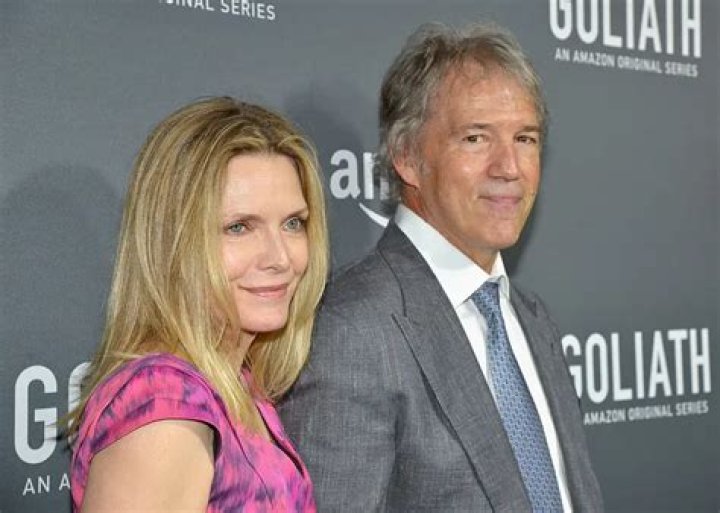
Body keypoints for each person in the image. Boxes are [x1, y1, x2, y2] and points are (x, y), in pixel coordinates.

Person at [280, 22, 604, 512]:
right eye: (475, 138)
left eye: (525, 138)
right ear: (407, 157)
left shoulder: (533, 320)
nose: (509, 167)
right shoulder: (352, 331)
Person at [67, 97, 329, 513]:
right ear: (172, 243)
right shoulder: (165, 410)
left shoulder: (233, 382)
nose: (280, 257)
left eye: (293, 223)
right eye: (239, 227)